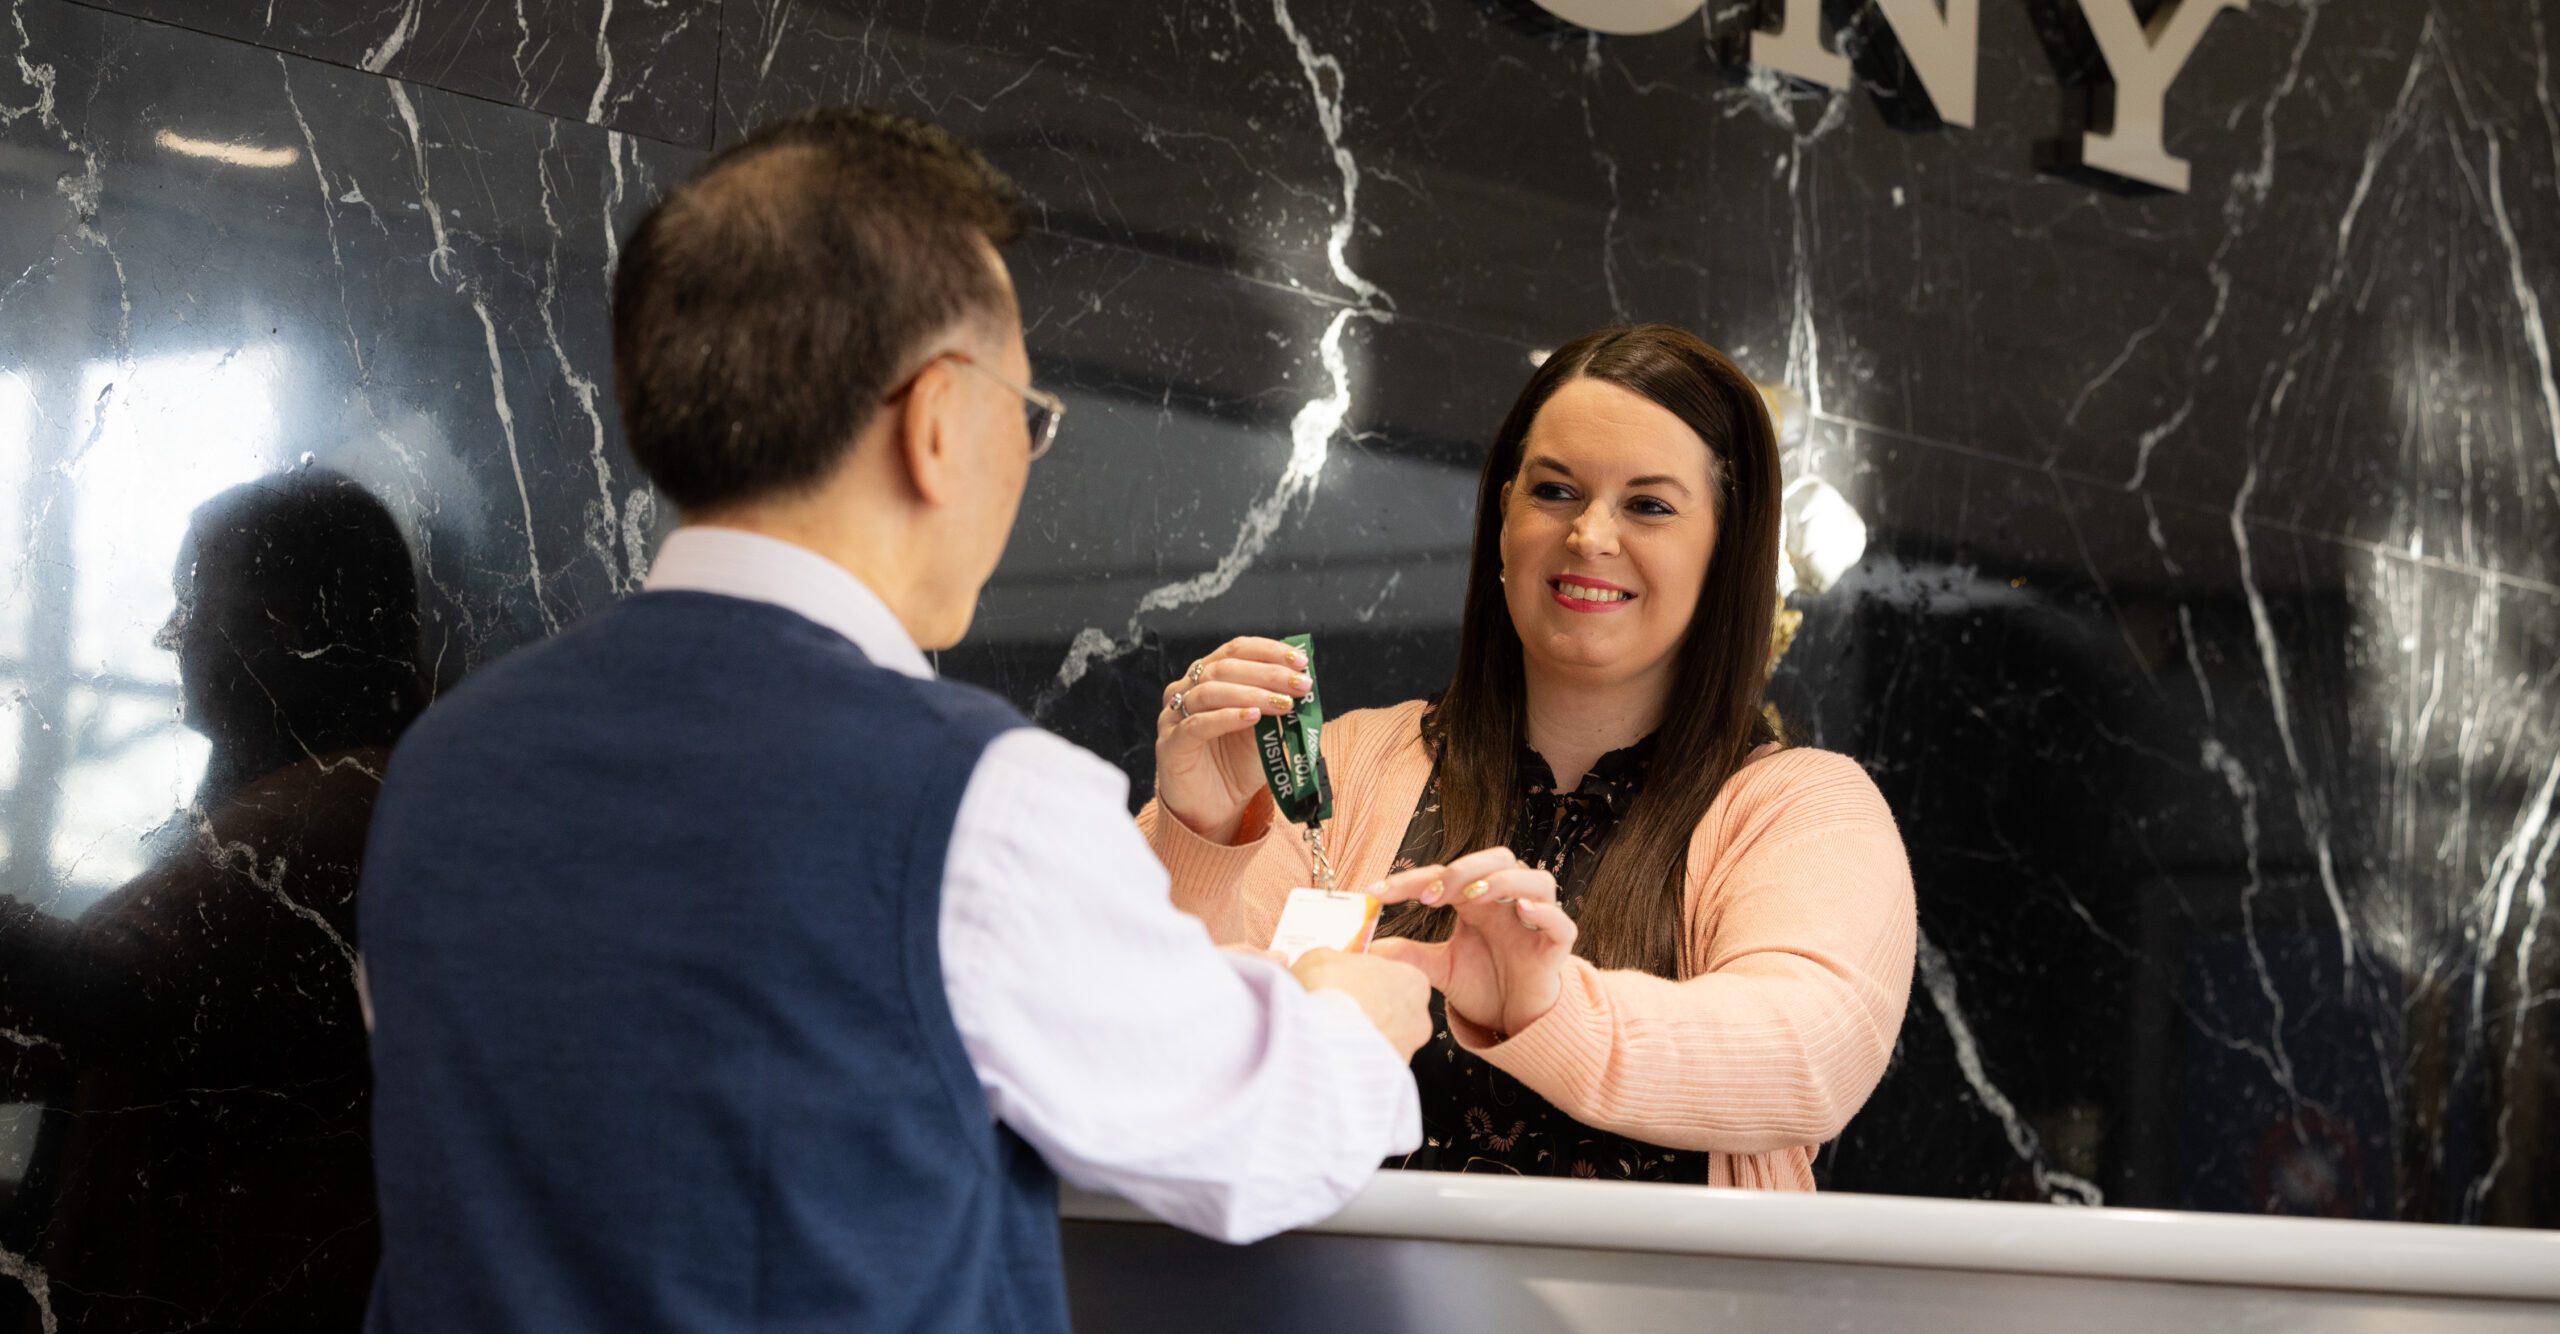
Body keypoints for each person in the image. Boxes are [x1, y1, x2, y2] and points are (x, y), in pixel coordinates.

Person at [358, 108, 1428, 1334]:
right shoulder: (978, 797)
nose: (1026, 459)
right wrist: (1361, 1009)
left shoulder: (443, 761)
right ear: (934, 419)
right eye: (1028, 416)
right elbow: (1262, 1134)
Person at [1143, 325, 1916, 1186]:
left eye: (1649, 505)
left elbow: (1805, 1058)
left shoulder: (1803, 808)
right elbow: (1155, 1055)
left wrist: (1544, 1008)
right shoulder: (1340, 765)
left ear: (1728, 549)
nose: (1590, 535)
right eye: (1556, 490)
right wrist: (1199, 839)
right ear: (1503, 513)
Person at [0, 472, 422, 1331]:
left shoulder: (344, 799)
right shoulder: (286, 804)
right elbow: (69, 1041)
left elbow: (112, 992)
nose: (169, 634)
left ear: (290, 627)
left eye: (194, 602)